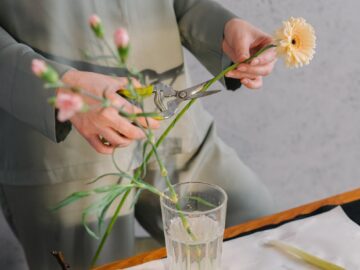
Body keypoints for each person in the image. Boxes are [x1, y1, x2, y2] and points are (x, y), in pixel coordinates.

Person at [0, 0, 276, 269]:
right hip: (65, 152)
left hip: (177, 127)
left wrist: (222, 28)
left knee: (269, 237)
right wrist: (60, 89)